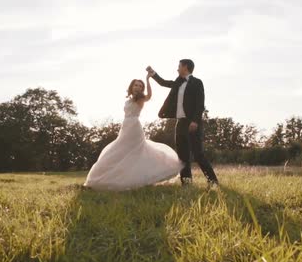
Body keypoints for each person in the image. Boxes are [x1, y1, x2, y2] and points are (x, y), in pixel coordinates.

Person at [83, 74, 183, 191]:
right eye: (136, 85)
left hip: (134, 128)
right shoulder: (128, 99)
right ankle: (99, 179)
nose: (138, 87)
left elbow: (149, 96)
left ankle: (141, 177)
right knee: (118, 151)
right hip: (125, 127)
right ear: (131, 86)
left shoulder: (140, 98)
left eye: (140, 86)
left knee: (135, 153)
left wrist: (148, 80)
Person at [147, 59, 219, 187]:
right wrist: (153, 74)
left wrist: (195, 121)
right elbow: (164, 83)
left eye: (179, 66)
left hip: (192, 123)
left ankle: (213, 182)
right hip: (180, 123)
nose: (177, 68)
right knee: (182, 156)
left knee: (198, 154)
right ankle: (186, 183)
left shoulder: (197, 82)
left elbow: (200, 103)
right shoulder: (178, 82)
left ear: (185, 67)